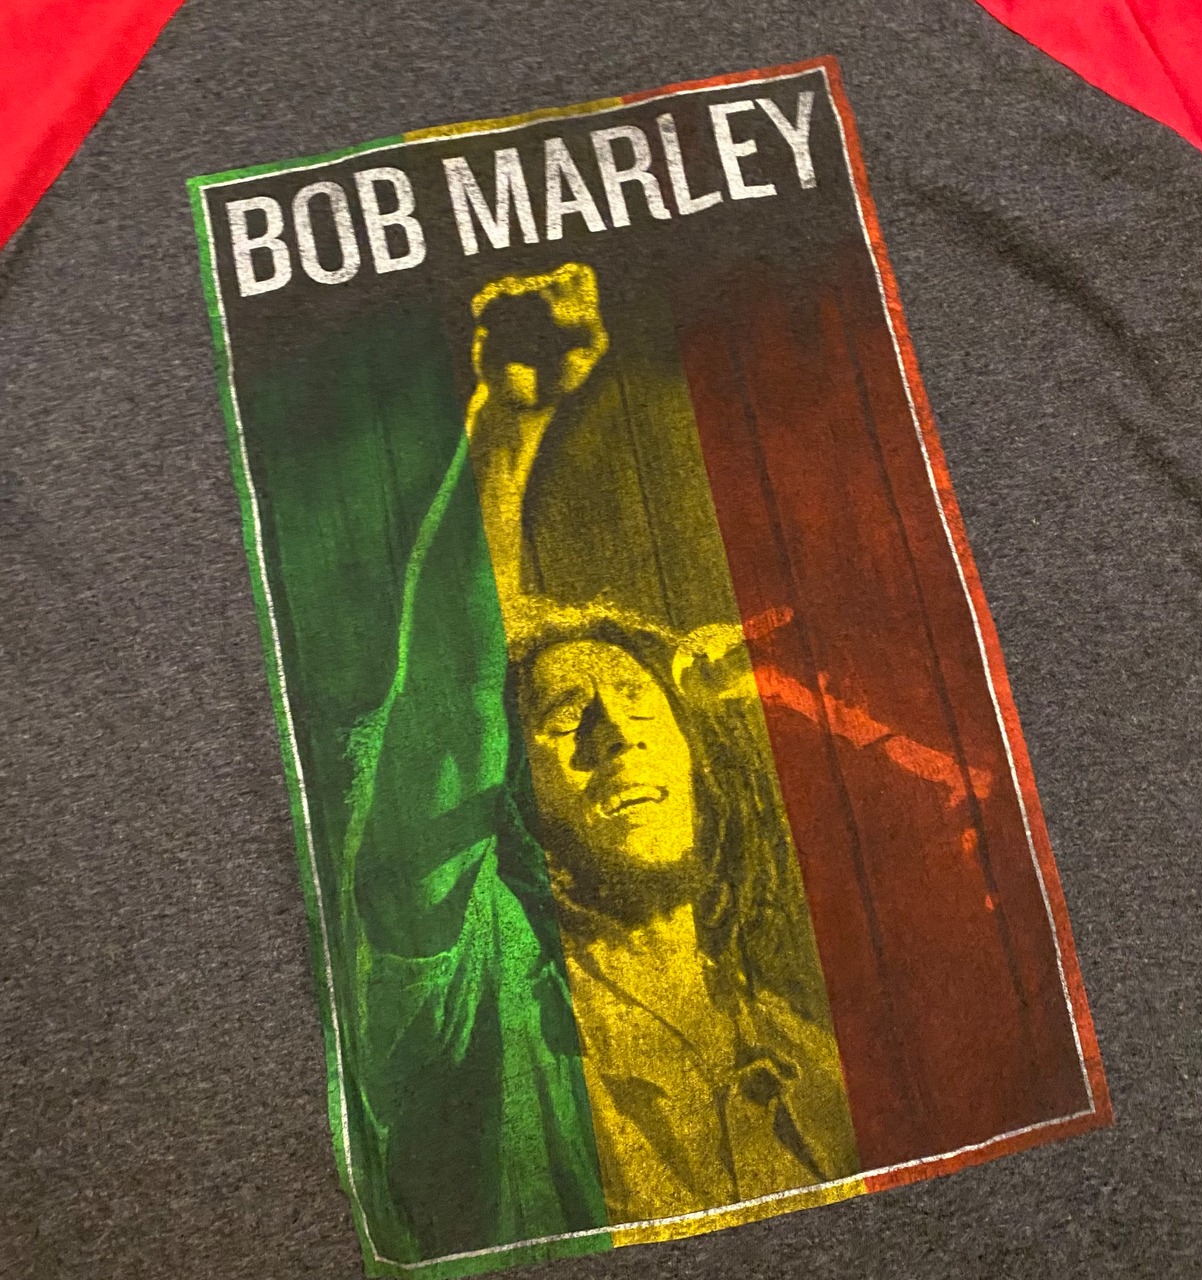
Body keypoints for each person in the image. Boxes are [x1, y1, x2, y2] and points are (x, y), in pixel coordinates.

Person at [338, 264, 859, 1260]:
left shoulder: (804, 1052)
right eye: (565, 717)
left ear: (698, 764)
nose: (615, 735)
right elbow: (447, 704)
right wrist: (507, 430)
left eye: (636, 704)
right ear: (509, 793)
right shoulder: (469, 984)